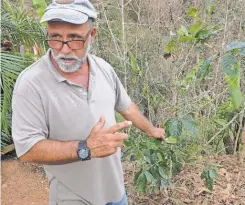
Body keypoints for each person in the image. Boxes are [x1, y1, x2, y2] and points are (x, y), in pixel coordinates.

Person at [11, 0, 166, 205]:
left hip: (115, 192)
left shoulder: (103, 69)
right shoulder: (31, 83)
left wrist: (151, 129)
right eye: (55, 38)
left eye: (74, 38)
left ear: (92, 35)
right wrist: (86, 148)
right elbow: (28, 149)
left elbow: (126, 106)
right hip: (74, 197)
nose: (64, 50)